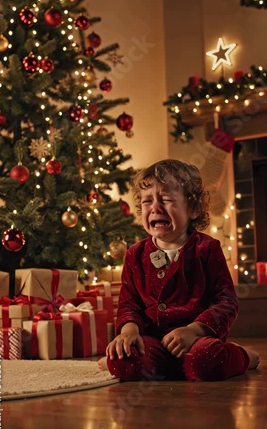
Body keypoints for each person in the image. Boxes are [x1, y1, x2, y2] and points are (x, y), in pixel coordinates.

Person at [98, 159, 259, 381]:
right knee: (123, 360)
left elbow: (226, 301)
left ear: (193, 209)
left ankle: (242, 357)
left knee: (207, 362)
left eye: (166, 199)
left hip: (197, 341)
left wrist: (194, 331)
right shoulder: (134, 254)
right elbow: (129, 304)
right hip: (154, 341)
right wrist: (129, 331)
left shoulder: (207, 249)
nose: (155, 207)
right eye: (147, 201)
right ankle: (167, 367)